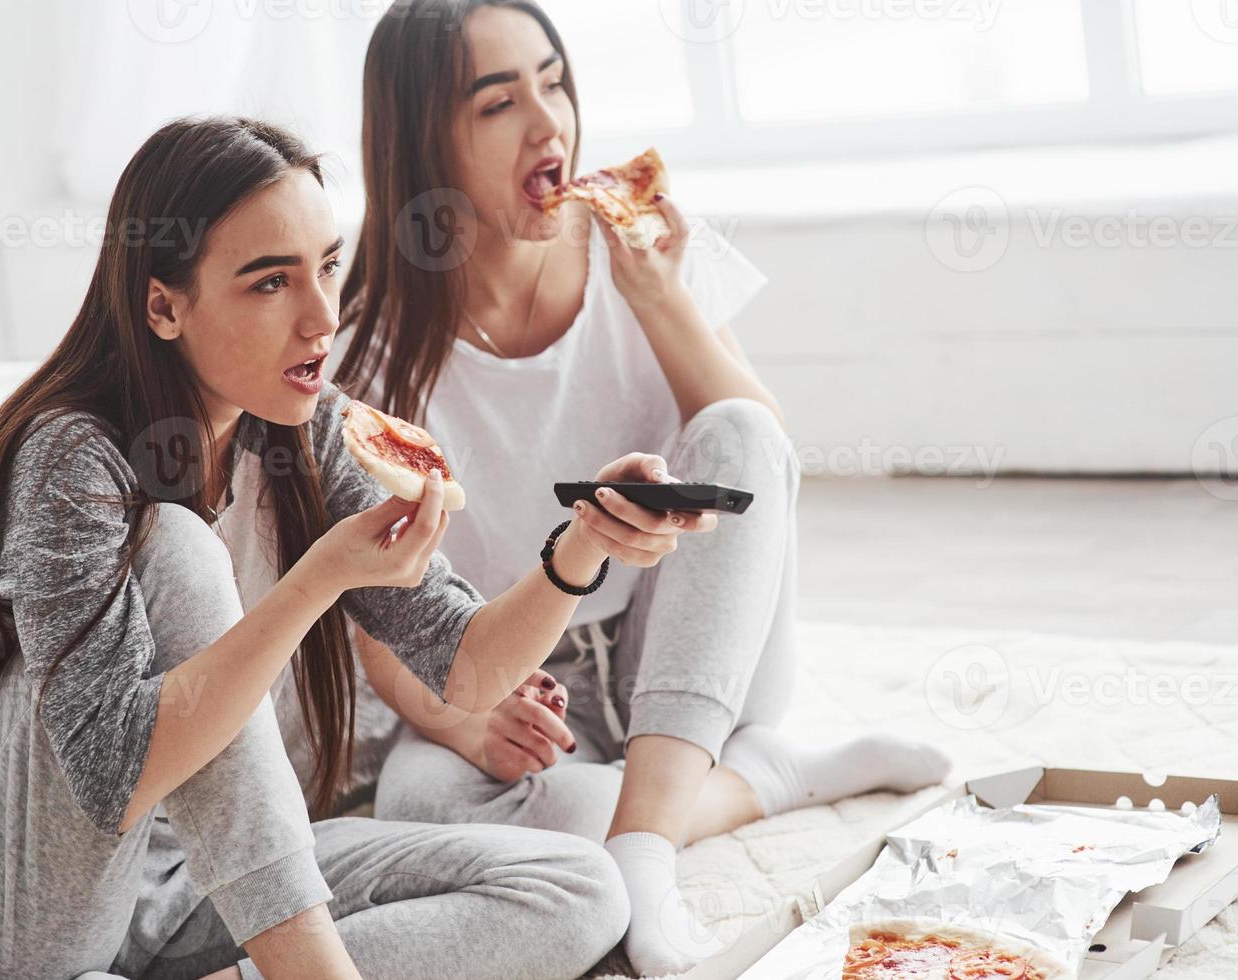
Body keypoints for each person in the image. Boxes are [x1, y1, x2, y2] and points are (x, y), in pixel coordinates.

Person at [0, 115, 715, 980]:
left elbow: (471, 672)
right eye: (270, 284)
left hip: (185, 881)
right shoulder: (73, 454)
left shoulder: (312, 433)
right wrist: (318, 579)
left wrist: (580, 546)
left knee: (579, 889)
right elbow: (112, 771)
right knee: (182, 548)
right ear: (162, 305)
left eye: (329, 267)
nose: (322, 318)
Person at [330, 3, 954, 974]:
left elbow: (760, 460)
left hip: (700, 654)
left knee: (739, 424)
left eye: (554, 81)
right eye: (500, 103)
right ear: (421, 142)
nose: (551, 125)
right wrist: (463, 718)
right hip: (525, 685)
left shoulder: (642, 243)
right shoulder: (364, 353)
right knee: (420, 802)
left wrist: (658, 295)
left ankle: (645, 848)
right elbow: (379, 618)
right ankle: (767, 779)